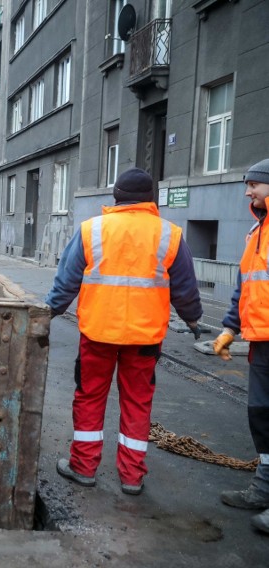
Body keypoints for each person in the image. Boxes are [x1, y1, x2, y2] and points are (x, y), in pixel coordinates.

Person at [45, 167, 203, 496]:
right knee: (137, 402)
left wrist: (49, 311)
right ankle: (132, 477)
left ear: (115, 197)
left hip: (98, 334)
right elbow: (185, 288)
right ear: (150, 199)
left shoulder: (93, 230)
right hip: (145, 339)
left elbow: (67, 279)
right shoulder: (169, 234)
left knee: (89, 398)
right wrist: (193, 319)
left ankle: (83, 467)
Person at [213, 158, 269, 536]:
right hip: (262, 341)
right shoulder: (256, 231)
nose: (247, 191)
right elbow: (245, 285)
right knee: (261, 415)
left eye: (254, 185)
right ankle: (263, 488)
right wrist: (231, 327)